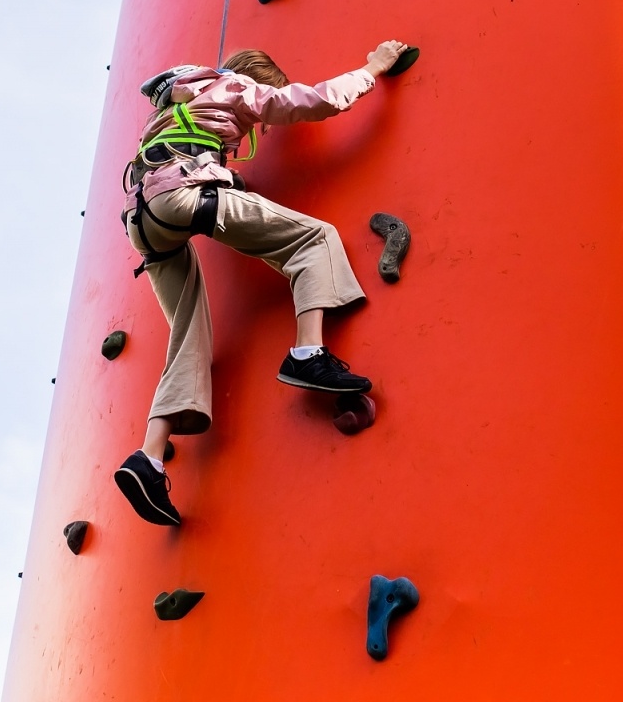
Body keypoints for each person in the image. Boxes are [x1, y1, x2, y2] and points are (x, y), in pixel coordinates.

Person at [113, 39, 410, 526]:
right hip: (184, 196)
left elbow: (182, 156)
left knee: (188, 335)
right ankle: (308, 353)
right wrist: (373, 68)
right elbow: (313, 101)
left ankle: (149, 456)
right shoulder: (234, 86)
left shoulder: (174, 101)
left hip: (141, 220)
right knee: (313, 239)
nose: (259, 129)